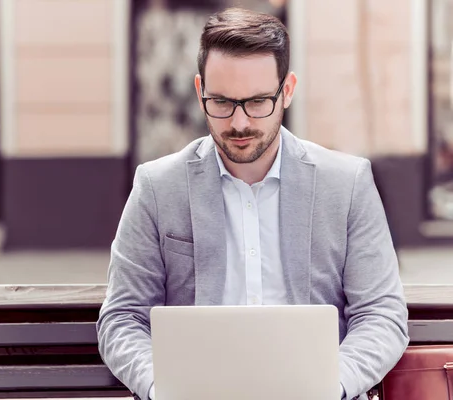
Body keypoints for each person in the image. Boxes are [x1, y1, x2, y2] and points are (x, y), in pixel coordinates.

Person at [97, 7, 409, 400]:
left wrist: (331, 385)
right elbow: (122, 318)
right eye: (223, 102)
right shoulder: (158, 187)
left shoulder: (347, 184)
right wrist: (164, 388)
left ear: (288, 91)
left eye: (258, 101)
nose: (240, 123)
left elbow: (381, 315)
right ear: (200, 92)